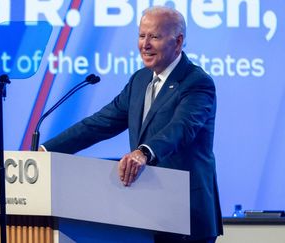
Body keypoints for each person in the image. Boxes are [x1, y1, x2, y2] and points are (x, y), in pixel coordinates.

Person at [41, 6, 223, 243]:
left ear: (178, 42)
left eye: (154, 37)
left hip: (187, 214)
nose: (145, 44)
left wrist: (144, 152)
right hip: (146, 212)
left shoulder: (196, 82)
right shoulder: (140, 80)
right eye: (141, 36)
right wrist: (45, 151)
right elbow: (100, 123)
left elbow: (181, 128)